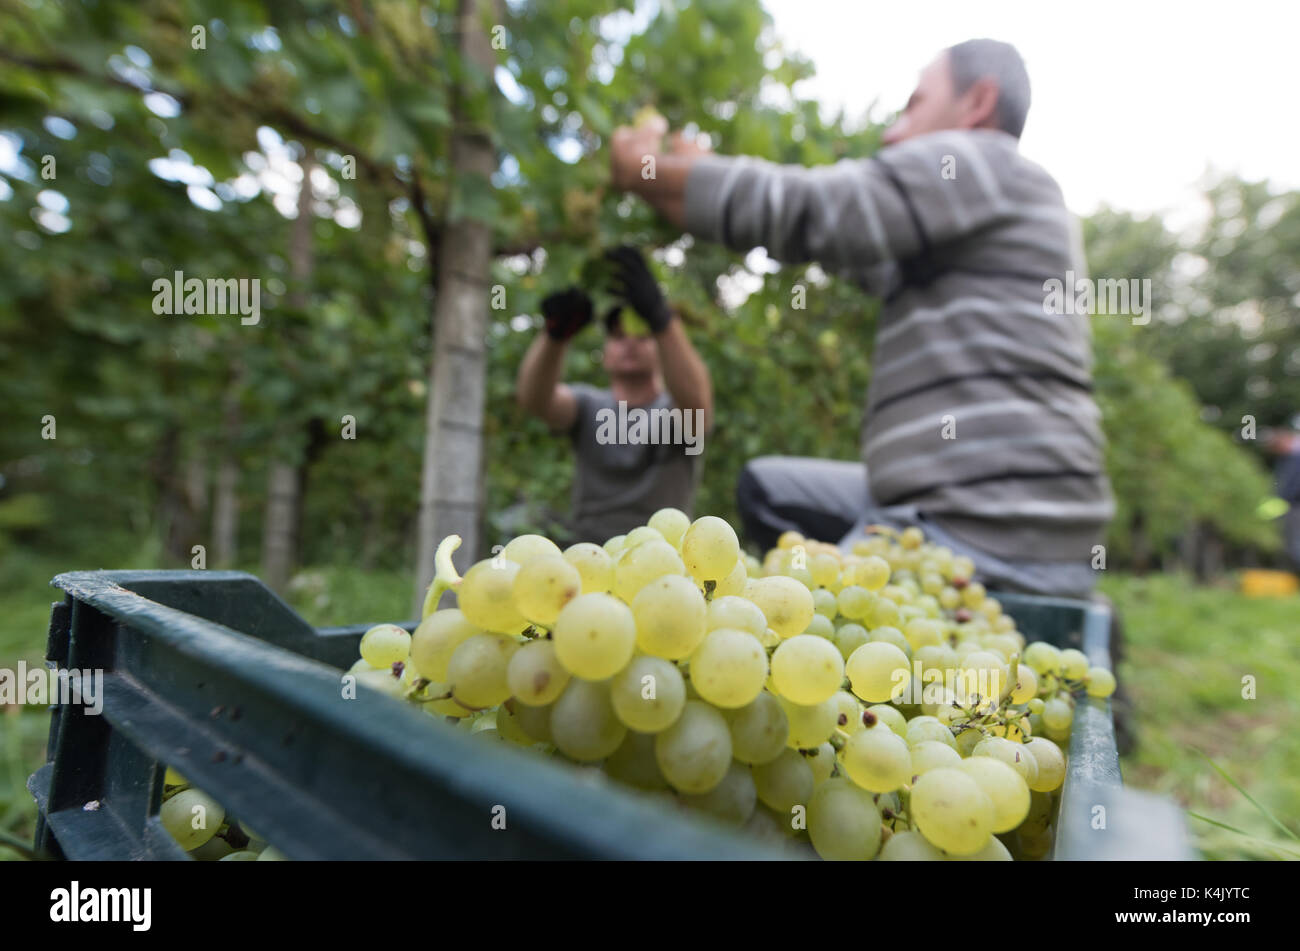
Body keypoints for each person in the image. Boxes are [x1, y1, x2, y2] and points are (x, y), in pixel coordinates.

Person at [608, 39, 1113, 599]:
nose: (892, 133)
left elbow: (809, 210)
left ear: (978, 103)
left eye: (914, 105)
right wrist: (674, 181)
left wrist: (645, 167)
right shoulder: (966, 223)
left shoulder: (984, 161)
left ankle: (952, 599)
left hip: (983, 528)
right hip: (976, 508)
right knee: (766, 488)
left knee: (787, 620)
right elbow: (811, 236)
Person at [515, 246, 713, 544]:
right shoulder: (586, 406)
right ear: (605, 353)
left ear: (660, 348)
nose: (630, 344)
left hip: (663, 557)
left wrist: (663, 319)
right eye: (618, 337)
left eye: (643, 335)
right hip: (589, 556)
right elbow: (534, 399)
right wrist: (554, 336)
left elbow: (698, 406)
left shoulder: (675, 415)